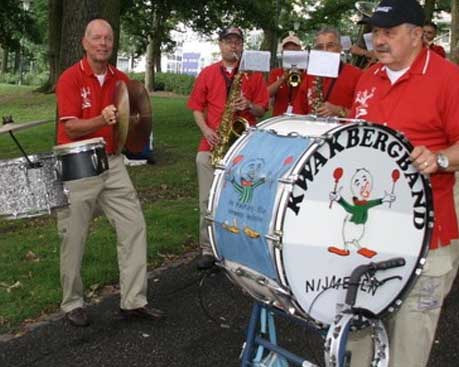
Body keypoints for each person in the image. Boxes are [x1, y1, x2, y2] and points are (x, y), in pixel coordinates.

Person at [347, 1, 459, 366]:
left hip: (427, 237)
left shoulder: (448, 78)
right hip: (369, 239)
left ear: (416, 35)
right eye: (376, 32)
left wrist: (440, 159)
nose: (379, 40)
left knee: (408, 348)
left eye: (389, 32)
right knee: (356, 337)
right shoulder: (369, 78)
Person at [55, 18, 164, 327]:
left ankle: (133, 301)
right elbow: (71, 127)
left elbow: (130, 125)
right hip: (78, 165)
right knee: (73, 237)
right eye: (97, 38)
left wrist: (137, 123)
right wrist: (102, 119)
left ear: (112, 44)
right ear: (85, 43)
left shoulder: (121, 79)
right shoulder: (70, 78)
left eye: (108, 39)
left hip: (112, 163)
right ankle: (72, 303)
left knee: (134, 226)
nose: (103, 44)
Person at [187, 26, 269, 270]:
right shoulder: (208, 73)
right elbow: (196, 108)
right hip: (212, 143)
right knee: (207, 199)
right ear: (220, 45)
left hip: (244, 146)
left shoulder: (253, 75)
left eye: (237, 42)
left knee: (242, 201)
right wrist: (206, 130)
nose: (233, 46)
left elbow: (262, 110)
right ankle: (207, 247)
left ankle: (238, 246)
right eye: (228, 41)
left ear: (242, 46)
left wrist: (249, 104)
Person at [292, 27, 362, 117]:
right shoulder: (310, 75)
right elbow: (298, 111)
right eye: (320, 47)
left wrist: (339, 111)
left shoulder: (357, 75)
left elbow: (365, 116)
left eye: (330, 46)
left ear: (340, 48)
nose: (325, 50)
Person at [267, 34, 304, 116]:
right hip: (279, 117)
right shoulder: (275, 72)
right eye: (288, 50)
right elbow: (267, 93)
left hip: (301, 117)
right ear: (283, 53)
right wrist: (283, 78)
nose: (291, 53)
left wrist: (301, 75)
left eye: (294, 50)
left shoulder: (306, 73)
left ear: (300, 52)